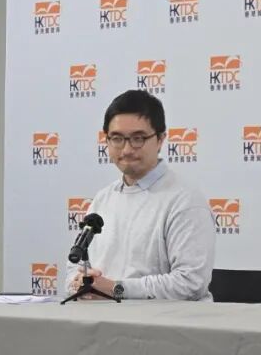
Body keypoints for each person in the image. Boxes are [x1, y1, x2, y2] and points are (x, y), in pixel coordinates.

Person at [65, 90, 215, 301]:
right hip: (102, 317)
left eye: (138, 139)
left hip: (166, 320)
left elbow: (190, 283)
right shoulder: (103, 199)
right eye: (117, 138)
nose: (127, 149)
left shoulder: (185, 200)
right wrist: (79, 283)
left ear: (160, 139)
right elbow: (75, 266)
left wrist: (115, 289)